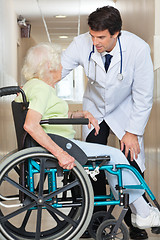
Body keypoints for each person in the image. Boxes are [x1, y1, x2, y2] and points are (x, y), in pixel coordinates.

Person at [15, 42, 160, 233]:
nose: (62, 68)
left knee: (112, 157)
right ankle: (142, 211)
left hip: (59, 141)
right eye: (59, 64)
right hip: (62, 145)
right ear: (49, 67)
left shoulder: (33, 86)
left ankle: (138, 210)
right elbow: (31, 125)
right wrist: (60, 154)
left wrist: (78, 114)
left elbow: (48, 118)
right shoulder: (42, 89)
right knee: (116, 157)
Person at [61, 5, 154, 239]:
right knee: (92, 165)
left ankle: (136, 221)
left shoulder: (138, 49)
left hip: (126, 110)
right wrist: (35, 82)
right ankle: (96, 219)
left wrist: (132, 131)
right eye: (92, 36)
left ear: (116, 33)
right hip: (95, 108)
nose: (95, 42)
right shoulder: (82, 42)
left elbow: (144, 95)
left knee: (131, 162)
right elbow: (58, 69)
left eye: (101, 37)